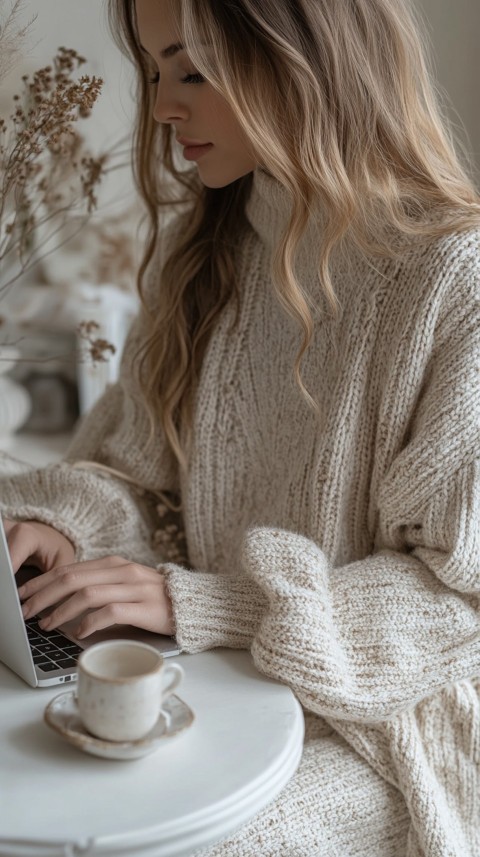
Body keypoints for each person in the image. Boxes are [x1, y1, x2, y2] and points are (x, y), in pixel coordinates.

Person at [1, 0, 479, 853]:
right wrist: (61, 525)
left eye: (191, 70)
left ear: (307, 62)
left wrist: (203, 604)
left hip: (383, 721)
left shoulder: (454, 283)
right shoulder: (206, 252)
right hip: (219, 677)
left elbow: (458, 595)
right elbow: (135, 468)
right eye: (153, 72)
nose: (161, 108)